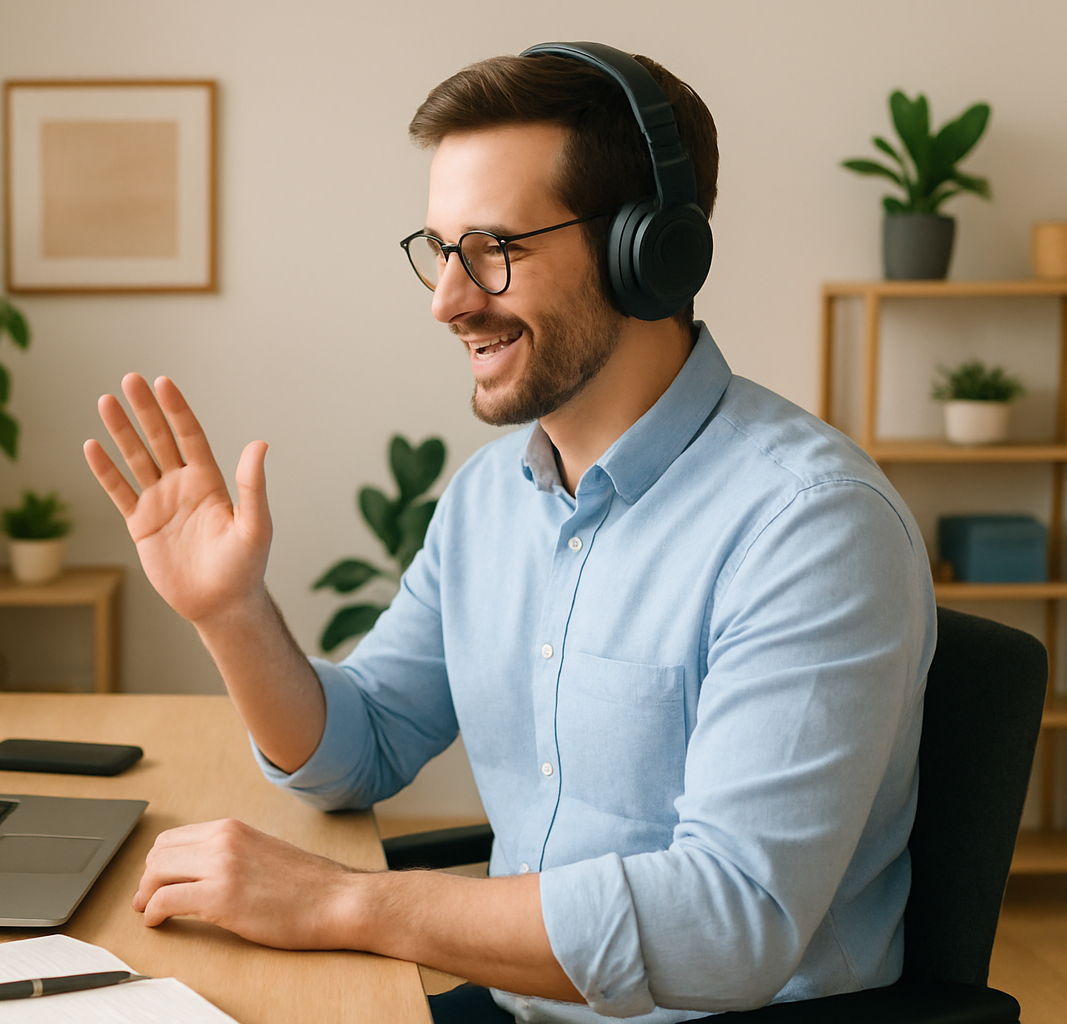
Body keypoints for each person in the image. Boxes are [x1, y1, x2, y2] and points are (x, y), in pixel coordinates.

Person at [84, 44, 935, 1024]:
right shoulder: (490, 499)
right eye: (440, 250)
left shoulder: (810, 526)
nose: (448, 300)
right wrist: (231, 613)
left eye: (495, 249)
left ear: (649, 251)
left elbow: (730, 921)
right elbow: (361, 749)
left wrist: (342, 901)